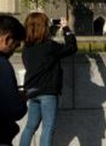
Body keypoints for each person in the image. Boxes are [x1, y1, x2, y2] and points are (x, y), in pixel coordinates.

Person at [19, 13, 76, 146]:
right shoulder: (50, 46)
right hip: (47, 92)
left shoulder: (26, 49)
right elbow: (72, 48)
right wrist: (66, 29)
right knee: (48, 128)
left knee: (30, 127)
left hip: (32, 91)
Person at [0, 16, 29, 143]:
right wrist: (21, 99)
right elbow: (15, 109)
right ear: (7, 39)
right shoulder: (2, 64)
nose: (13, 51)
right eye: (15, 45)